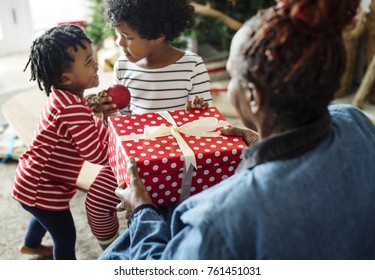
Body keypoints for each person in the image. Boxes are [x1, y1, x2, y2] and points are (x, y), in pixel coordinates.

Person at [99, 0, 375, 260]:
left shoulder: (218, 218)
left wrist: (142, 211)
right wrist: (260, 142)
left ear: (253, 96)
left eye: (232, 77)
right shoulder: (356, 120)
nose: (228, 89)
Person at [85, 0, 213, 249]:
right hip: (135, 159)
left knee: (177, 210)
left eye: (127, 36)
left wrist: (197, 109)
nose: (119, 43)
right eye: (118, 34)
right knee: (98, 201)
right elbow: (123, 124)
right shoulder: (123, 65)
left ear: (157, 34)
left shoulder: (192, 65)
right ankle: (116, 248)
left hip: (180, 160)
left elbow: (206, 123)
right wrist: (109, 114)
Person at [12, 24, 109, 260]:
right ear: (66, 77)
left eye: (93, 57)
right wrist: (109, 121)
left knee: (42, 215)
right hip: (43, 186)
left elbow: (90, 127)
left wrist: (102, 123)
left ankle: (30, 245)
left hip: (32, 180)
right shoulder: (72, 108)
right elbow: (97, 155)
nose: (96, 64)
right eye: (88, 62)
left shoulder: (65, 97)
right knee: (65, 236)